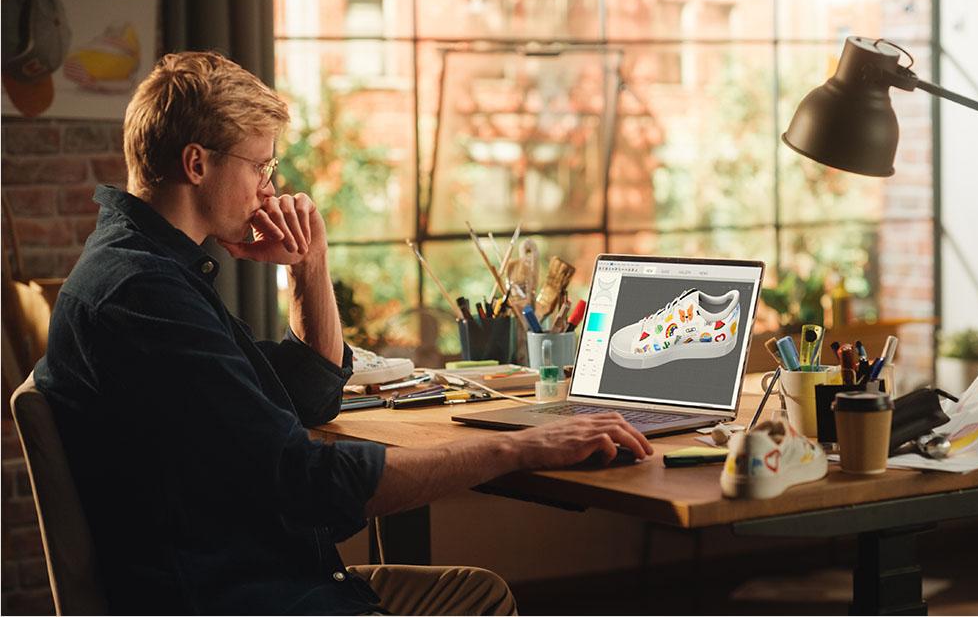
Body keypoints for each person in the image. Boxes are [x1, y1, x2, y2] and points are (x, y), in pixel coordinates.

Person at [33, 51, 653, 615]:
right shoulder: (142, 295)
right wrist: (520, 447)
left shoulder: (145, 266)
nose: (270, 188)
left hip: (250, 574)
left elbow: (308, 395)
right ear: (197, 163)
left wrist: (311, 263)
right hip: (237, 595)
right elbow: (307, 485)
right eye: (261, 165)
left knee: (478, 593)